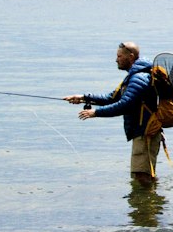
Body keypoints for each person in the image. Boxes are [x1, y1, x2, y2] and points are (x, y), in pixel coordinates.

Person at [66, 41, 163, 185]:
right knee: (146, 176)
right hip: (144, 132)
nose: (116, 59)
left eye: (119, 56)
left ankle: (148, 206)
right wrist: (83, 97)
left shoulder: (138, 78)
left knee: (141, 177)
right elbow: (112, 98)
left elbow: (124, 105)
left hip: (145, 133)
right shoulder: (135, 76)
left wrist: (96, 113)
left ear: (130, 57)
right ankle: (153, 203)